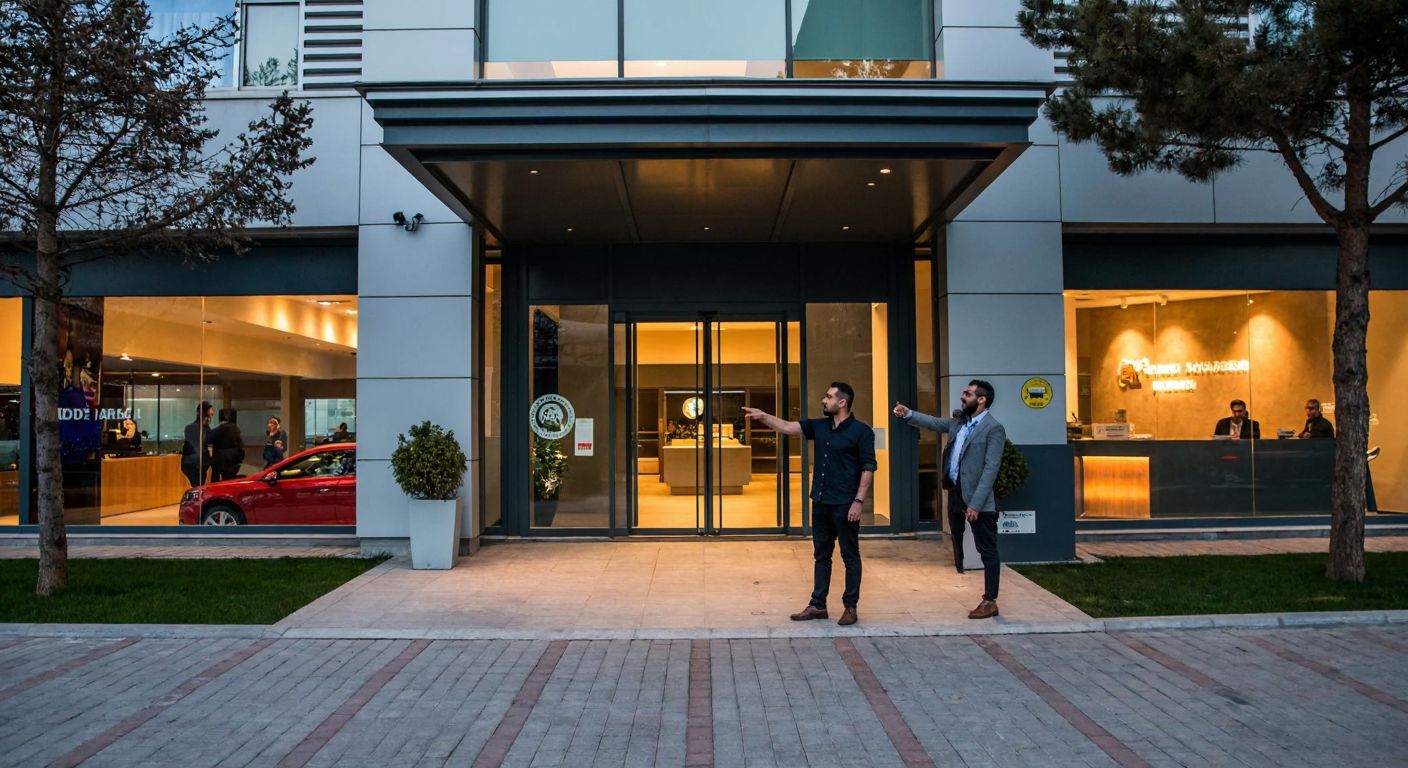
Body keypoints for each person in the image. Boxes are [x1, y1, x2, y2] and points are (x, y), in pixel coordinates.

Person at [743, 382, 875, 627]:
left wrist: (858, 501)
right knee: (821, 555)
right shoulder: (820, 426)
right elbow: (786, 427)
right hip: (821, 502)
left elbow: (868, 468)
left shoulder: (861, 431)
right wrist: (764, 416)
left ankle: (850, 607)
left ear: (842, 402)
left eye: (829, 397)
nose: (824, 400)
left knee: (850, 556)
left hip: (845, 504)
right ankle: (818, 605)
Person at [894, 380, 1007, 620]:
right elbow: (934, 423)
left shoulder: (993, 428)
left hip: (979, 501)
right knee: (957, 537)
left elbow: (991, 469)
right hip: (956, 492)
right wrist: (908, 414)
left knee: (987, 549)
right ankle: (960, 566)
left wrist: (976, 504)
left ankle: (990, 600)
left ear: (982, 399)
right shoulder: (959, 422)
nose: (963, 397)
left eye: (968, 394)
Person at [180, 401, 214, 487]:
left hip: (189, 463)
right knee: (199, 487)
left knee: (197, 486)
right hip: (198, 463)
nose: (211, 416)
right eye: (211, 414)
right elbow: (205, 445)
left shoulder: (189, 428)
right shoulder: (204, 428)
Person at [209, 408, 245, 480]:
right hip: (232, 461)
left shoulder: (215, 431)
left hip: (218, 461)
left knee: (216, 482)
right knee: (229, 481)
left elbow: (207, 441)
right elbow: (240, 446)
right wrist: (240, 459)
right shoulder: (235, 429)